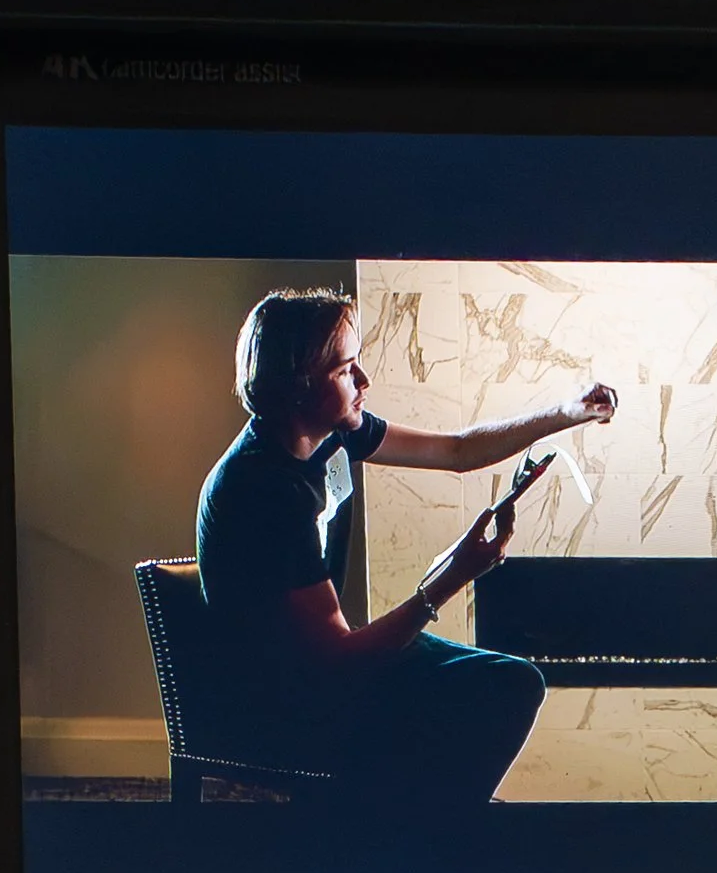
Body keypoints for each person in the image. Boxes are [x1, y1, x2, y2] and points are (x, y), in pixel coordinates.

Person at [193, 289, 618, 795]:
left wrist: (566, 413)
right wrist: (451, 579)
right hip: (287, 698)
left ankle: (432, 822)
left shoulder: (331, 434)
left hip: (322, 664)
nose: (364, 381)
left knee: (514, 680)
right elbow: (335, 660)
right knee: (495, 693)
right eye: (345, 369)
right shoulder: (262, 489)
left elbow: (457, 450)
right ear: (298, 385)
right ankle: (419, 834)